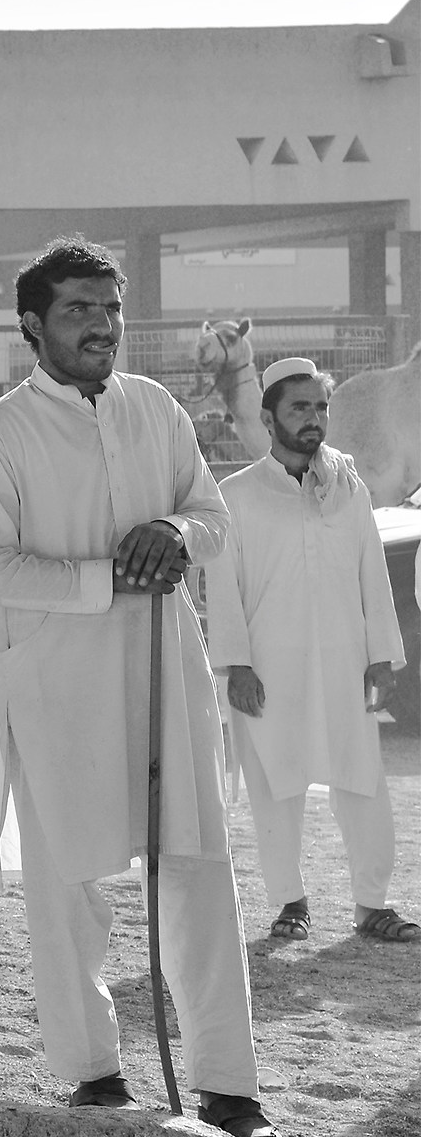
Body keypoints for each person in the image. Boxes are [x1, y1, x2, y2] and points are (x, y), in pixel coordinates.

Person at [0, 236, 281, 1137]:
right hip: (56, 681)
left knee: (196, 865)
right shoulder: (0, 434)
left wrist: (177, 529)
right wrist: (110, 574)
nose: (101, 327)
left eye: (110, 309)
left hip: (163, 666)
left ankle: (229, 1089)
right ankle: (96, 1075)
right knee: (70, 884)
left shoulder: (156, 408)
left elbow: (212, 519)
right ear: (33, 325)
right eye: (78, 311)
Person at [207, 359, 411, 945]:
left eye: (320, 407)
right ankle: (290, 902)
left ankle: (372, 904)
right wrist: (236, 665)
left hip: (346, 661)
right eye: (300, 409)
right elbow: (223, 586)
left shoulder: (349, 486)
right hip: (268, 667)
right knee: (277, 782)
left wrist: (382, 657)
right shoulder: (237, 495)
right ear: (268, 418)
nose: (314, 420)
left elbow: (373, 574)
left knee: (362, 779)